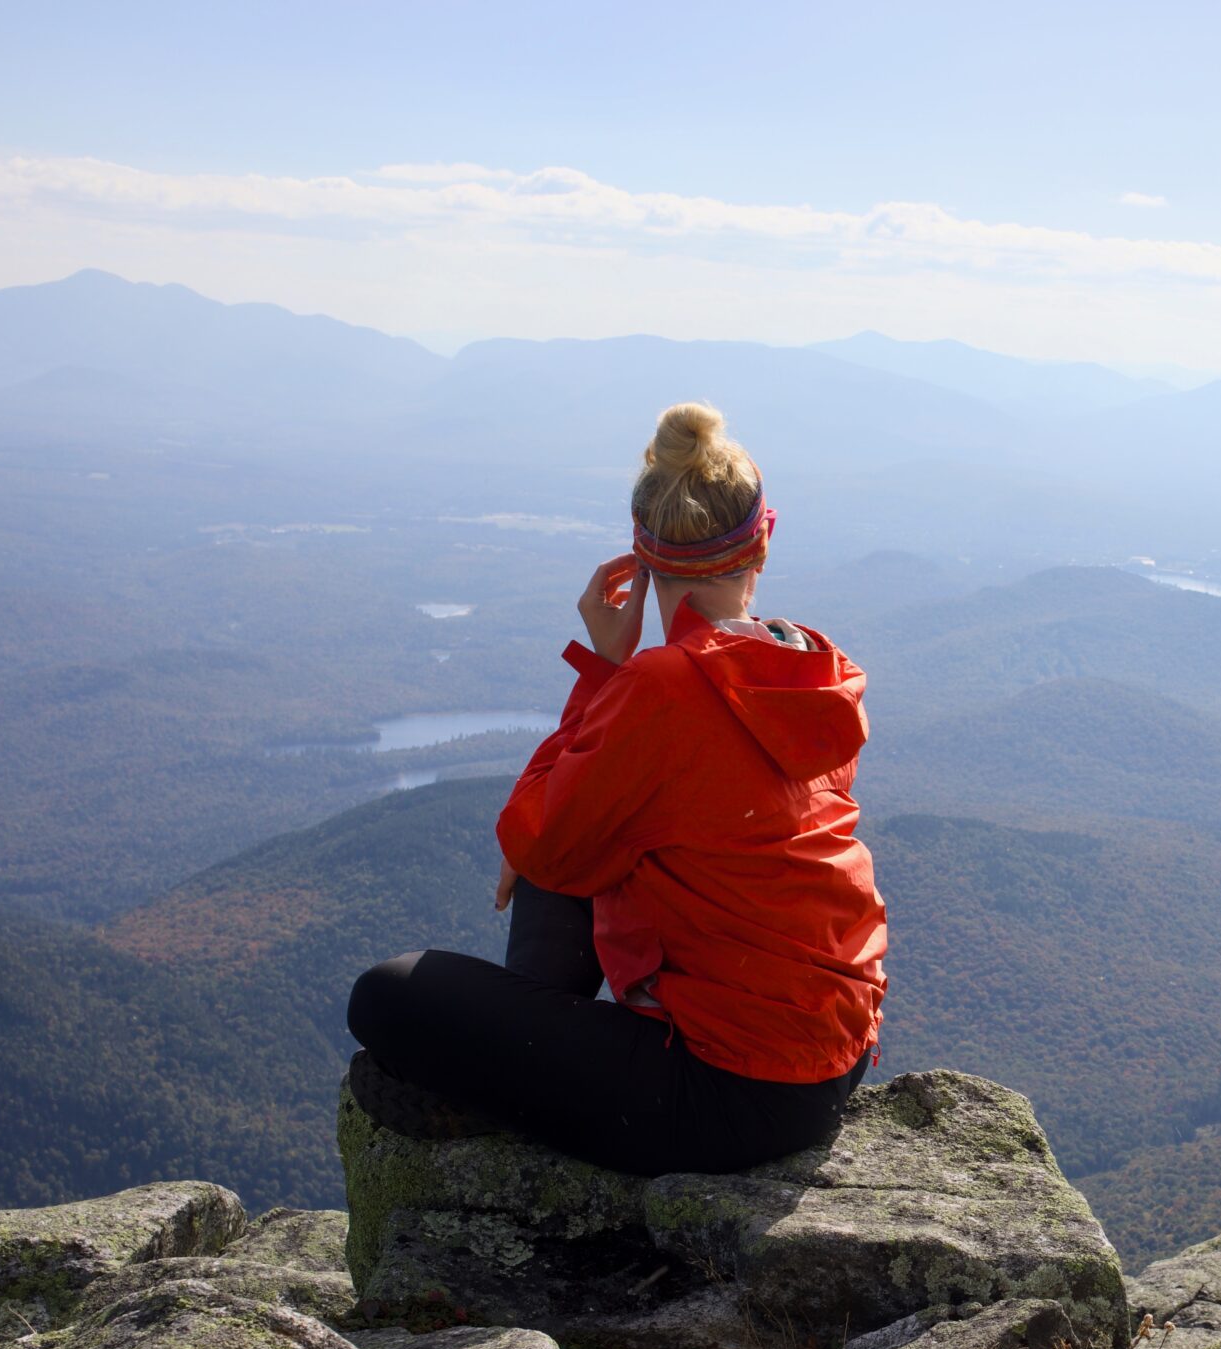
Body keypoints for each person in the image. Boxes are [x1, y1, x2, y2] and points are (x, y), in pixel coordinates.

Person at [346, 402, 886, 1173]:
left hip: (726, 1091)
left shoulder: (664, 686)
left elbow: (534, 835)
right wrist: (550, 848)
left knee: (384, 994)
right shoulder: (803, 669)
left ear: (641, 564)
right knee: (573, 849)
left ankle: (507, 1080)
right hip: (829, 1056)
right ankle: (528, 1053)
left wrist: (603, 670)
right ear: (761, 546)